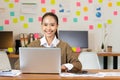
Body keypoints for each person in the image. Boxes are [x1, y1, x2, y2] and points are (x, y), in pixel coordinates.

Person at [14, 12, 82, 73]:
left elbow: (78, 65)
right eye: (45, 25)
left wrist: (65, 66)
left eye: (52, 25)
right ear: (42, 26)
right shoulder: (33, 45)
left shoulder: (65, 46)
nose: (48, 28)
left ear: (57, 26)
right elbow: (17, 65)